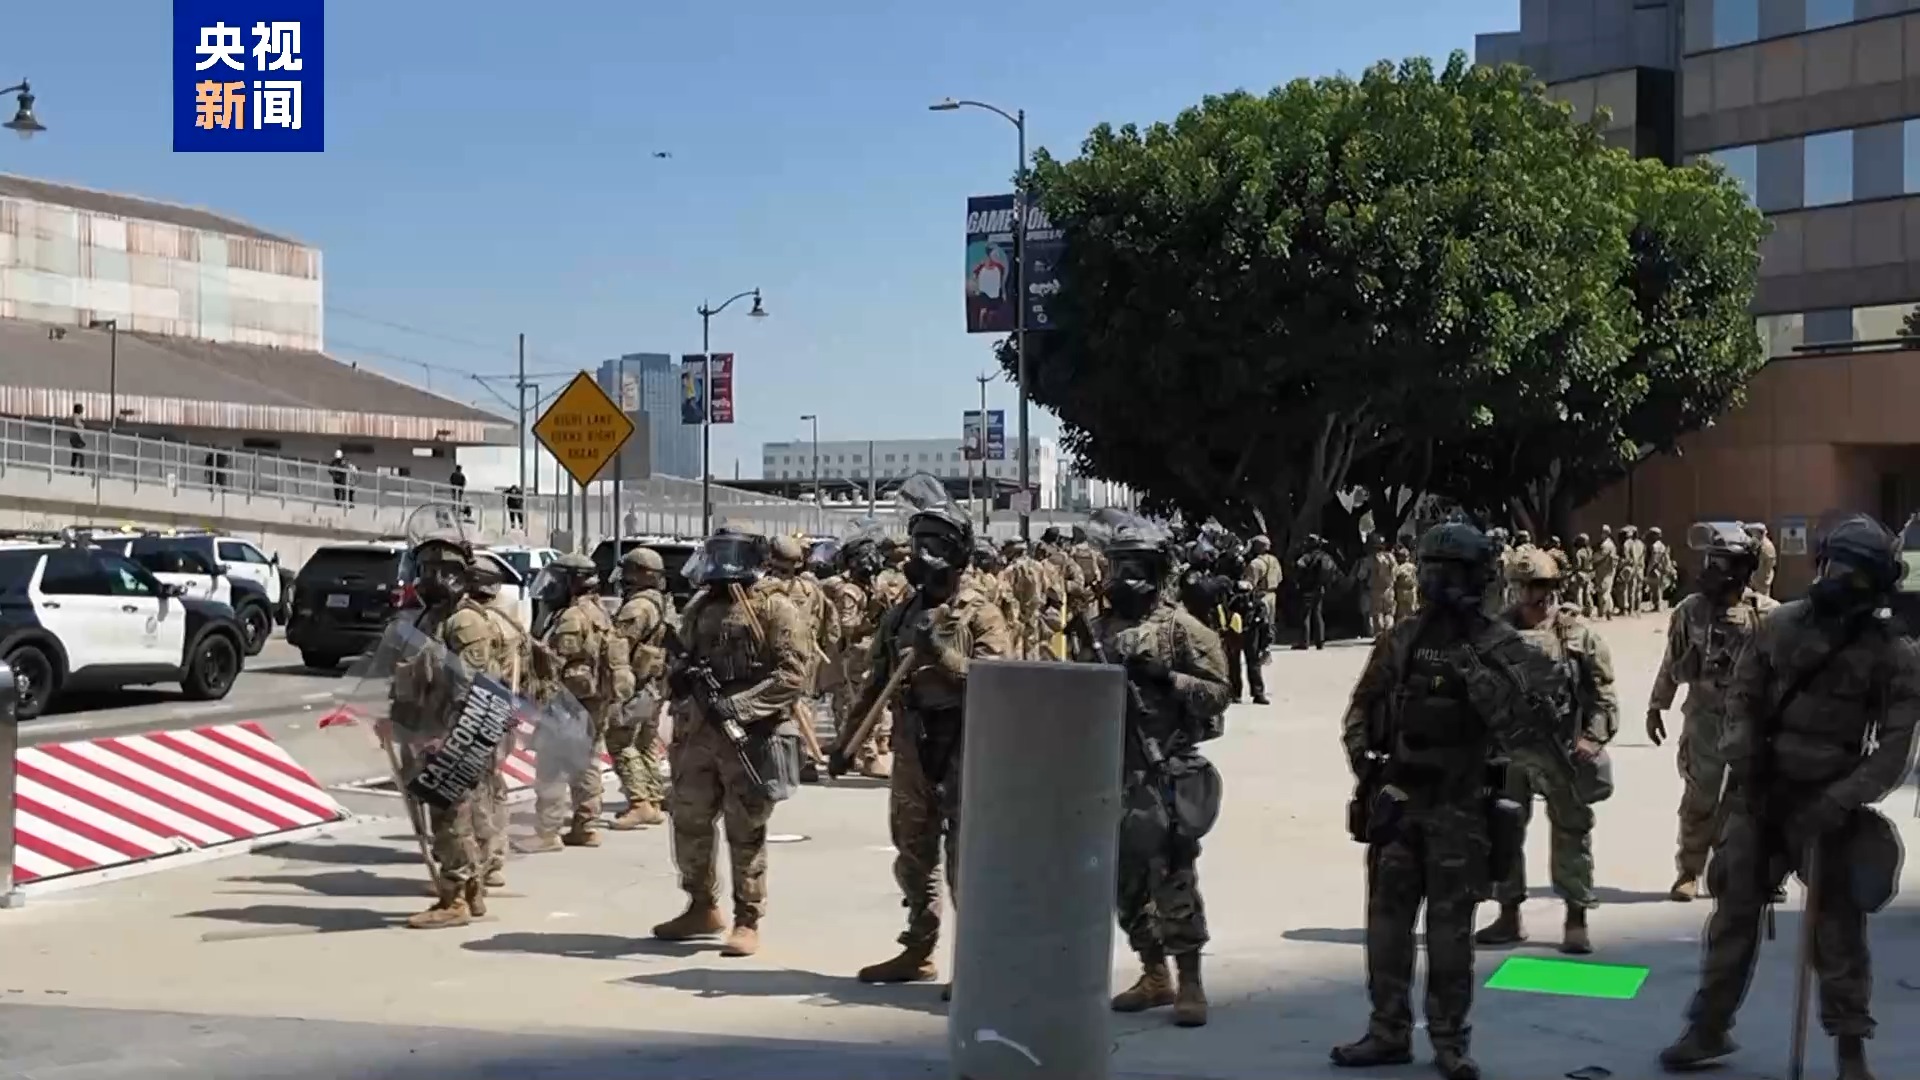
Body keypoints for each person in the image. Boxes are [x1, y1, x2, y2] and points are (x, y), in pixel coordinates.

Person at [1659, 514, 1919, 1078]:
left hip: (1830, 809)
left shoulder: (1891, 653)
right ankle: (1708, 1028)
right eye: (1836, 567)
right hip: (1762, 797)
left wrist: (1841, 800)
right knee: (1732, 916)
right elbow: (1742, 700)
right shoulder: (1780, 626)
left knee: (1838, 933)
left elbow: (1894, 750)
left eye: (1855, 572)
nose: (1840, 579)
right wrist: (1747, 764)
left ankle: (1851, 1048)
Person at [1333, 521, 1569, 1080]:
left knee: (1450, 935)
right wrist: (1369, 769)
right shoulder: (1403, 638)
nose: (1438, 583)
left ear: (1478, 577)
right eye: (1432, 570)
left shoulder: (1501, 644)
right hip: (1399, 802)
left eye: (1451, 572)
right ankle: (1387, 1031)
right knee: (1386, 926)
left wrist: (1476, 675)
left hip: (1461, 809)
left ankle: (1449, 1042)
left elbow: (1533, 726)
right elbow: (1362, 708)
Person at [847, 476, 1012, 993]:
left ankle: (978, 965)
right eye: (918, 542)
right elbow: (875, 680)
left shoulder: (980, 613)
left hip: (964, 746)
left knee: (968, 862)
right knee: (913, 854)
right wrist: (847, 740)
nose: (922, 554)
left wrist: (941, 654)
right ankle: (918, 949)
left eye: (935, 544)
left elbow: (998, 682)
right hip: (912, 745)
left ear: (958, 553)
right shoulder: (902, 613)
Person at [1071, 511, 1230, 1028]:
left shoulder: (1183, 630)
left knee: (1173, 879)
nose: (1125, 578)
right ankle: (1153, 972)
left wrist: (1169, 680)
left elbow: (1218, 694)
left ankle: (1190, 981)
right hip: (1108, 770)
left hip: (1163, 770)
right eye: (1119, 566)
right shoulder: (1096, 630)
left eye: (1137, 567)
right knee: (1123, 885)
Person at [653, 528, 809, 957]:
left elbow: (792, 675)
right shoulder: (702, 606)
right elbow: (681, 657)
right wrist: (678, 679)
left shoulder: (775, 607)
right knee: (689, 819)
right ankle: (701, 904)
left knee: (745, 829)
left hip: (749, 736)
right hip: (698, 734)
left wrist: (739, 706)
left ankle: (747, 919)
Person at [1474, 551, 1617, 955]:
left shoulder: (1578, 635)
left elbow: (1603, 694)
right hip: (1506, 753)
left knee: (1572, 830)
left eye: (1539, 586)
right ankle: (1508, 914)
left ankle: (1576, 917)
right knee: (1501, 828)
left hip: (1561, 750)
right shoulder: (1493, 634)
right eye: (1523, 587)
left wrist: (1592, 738)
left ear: (1553, 588)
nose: (1531, 595)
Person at [1645, 523, 1778, 901]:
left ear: (1743, 568)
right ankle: (1689, 871)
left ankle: (1753, 873)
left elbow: (1784, 671)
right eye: (1710, 561)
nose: (1712, 571)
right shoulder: (1691, 611)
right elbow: (1671, 660)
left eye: (1722, 563)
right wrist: (1657, 706)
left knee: (1752, 800)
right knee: (1699, 798)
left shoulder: (1768, 615)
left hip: (1751, 721)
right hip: (1704, 719)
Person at [391, 528, 512, 929]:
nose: (428, 578)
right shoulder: (433, 619)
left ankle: (454, 898)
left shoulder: (465, 622)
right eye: (424, 569)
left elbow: (473, 687)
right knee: (453, 814)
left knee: (451, 818)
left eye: (436, 570)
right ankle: (470, 890)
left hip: (456, 735)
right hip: (430, 730)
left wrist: (450, 739)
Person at [523, 553, 633, 851]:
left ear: (573, 582)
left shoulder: (572, 616)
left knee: (552, 763)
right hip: (593, 701)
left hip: (569, 702)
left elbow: (558, 660)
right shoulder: (597, 610)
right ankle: (586, 826)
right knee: (585, 763)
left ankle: (547, 832)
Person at [466, 558, 530, 888]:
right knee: (494, 785)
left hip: (479, 714)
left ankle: (481, 860)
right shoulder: (509, 621)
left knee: (476, 789)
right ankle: (494, 859)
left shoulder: (477, 623)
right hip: (505, 712)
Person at [607, 547, 673, 830]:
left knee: (619, 740)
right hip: (655, 684)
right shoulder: (661, 602)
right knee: (646, 742)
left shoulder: (637, 607)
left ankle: (639, 803)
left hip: (638, 684)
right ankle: (654, 799)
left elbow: (620, 646)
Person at [757, 535, 830, 778]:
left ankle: (787, 759)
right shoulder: (810, 590)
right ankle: (803, 758)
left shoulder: (761, 589)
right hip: (803, 657)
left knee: (775, 709)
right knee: (803, 706)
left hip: (774, 658)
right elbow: (823, 626)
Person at [825, 537, 893, 778]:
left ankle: (851, 751)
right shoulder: (850, 592)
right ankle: (867, 755)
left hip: (868, 652)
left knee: (863, 705)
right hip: (855, 654)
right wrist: (870, 622)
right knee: (859, 706)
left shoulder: (872, 587)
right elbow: (847, 626)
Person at [1215, 547, 1267, 705]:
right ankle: (1256, 693)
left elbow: (1222, 608)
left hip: (1236, 629)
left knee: (1236, 663)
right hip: (1247, 629)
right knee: (1250, 662)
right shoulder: (1242, 586)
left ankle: (1238, 693)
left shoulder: (1226, 586)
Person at [1292, 535, 1338, 649]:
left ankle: (1304, 642)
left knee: (1305, 615)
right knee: (1318, 614)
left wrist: (1298, 580)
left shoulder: (1307, 557)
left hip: (1308, 588)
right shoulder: (1326, 557)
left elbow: (1298, 567)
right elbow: (1334, 572)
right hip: (1321, 588)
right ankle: (1320, 641)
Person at [1243, 535, 1284, 644]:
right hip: (1272, 594)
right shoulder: (1274, 560)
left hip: (1260, 595)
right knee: (1270, 621)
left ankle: (1261, 643)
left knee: (1259, 622)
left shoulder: (1255, 563)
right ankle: (1269, 642)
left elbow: (1250, 583)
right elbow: (1280, 578)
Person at [1362, 534, 1396, 638]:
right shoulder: (1390, 557)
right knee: (1389, 613)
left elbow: (1361, 575)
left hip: (1375, 590)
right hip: (1389, 589)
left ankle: (1380, 636)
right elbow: (1396, 571)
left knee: (1377, 614)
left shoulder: (1368, 560)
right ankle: (1389, 634)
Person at [1646, 526, 1674, 612]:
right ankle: (1658, 605)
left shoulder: (1654, 546)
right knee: (1658, 588)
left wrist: (1648, 570)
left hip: (1655, 569)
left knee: (1655, 588)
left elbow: (1653, 560)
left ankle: (1657, 606)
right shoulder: (1662, 545)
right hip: (1661, 569)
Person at [1592, 525, 1617, 619]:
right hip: (1605, 571)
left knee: (1604, 592)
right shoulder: (1610, 544)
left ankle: (1605, 612)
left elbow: (1599, 557)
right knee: (1605, 591)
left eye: (1602, 532)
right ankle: (1606, 612)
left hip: (1605, 571)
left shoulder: (1606, 545)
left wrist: (1592, 558)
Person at [1619, 525, 1646, 614]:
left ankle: (1628, 609)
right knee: (1638, 589)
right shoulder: (1641, 544)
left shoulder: (1627, 544)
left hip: (1631, 568)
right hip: (1640, 568)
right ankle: (1637, 608)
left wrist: (1621, 564)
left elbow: (1628, 558)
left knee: (1628, 589)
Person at [1747, 522, 1778, 598]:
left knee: (1761, 599)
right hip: (1758, 579)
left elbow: (1765, 566)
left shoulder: (1766, 546)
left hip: (1761, 580)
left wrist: (1754, 579)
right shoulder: (1759, 543)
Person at [1390, 545, 1418, 626]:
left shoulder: (1399, 568)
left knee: (1401, 614)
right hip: (1411, 591)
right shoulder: (1413, 567)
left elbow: (1394, 579)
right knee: (1411, 612)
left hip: (1402, 591)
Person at [1570, 533, 1594, 616]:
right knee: (1587, 593)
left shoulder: (1579, 552)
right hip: (1589, 573)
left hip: (1581, 573)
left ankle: (1579, 610)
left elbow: (1578, 565)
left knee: (1579, 592)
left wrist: (1572, 571)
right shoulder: (1590, 551)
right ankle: (1589, 610)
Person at [67, 403, 87, 472]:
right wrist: (82, 424)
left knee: (75, 455)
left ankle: (73, 470)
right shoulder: (76, 416)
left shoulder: (75, 416)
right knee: (81, 454)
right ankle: (81, 470)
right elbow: (76, 424)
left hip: (74, 438)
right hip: (77, 438)